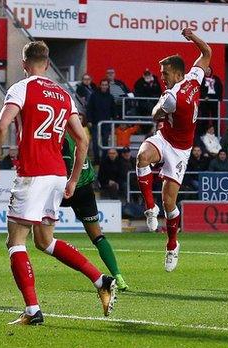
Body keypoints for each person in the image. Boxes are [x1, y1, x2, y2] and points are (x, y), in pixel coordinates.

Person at [0, 41, 116, 325]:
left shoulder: (22, 88)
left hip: (32, 174)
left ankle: (32, 311)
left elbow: (1, 126)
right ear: (47, 63)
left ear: (24, 63)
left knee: (15, 241)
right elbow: (82, 139)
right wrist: (73, 178)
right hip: (57, 174)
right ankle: (101, 279)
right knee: (44, 241)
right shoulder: (64, 94)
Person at [136, 28, 211, 272]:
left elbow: (154, 114)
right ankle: (149, 208)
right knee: (141, 157)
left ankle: (172, 244)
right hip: (164, 138)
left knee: (170, 203)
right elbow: (207, 52)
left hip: (181, 150)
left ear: (178, 73)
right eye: (160, 73)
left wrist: (159, 108)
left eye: (165, 73)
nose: (161, 77)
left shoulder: (181, 88)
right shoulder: (185, 83)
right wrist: (193, 38)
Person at [61, 133, 128, 290]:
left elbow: (65, 167)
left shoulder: (62, 138)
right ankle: (118, 276)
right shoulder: (81, 136)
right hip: (85, 190)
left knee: (43, 237)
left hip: (65, 188)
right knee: (98, 237)